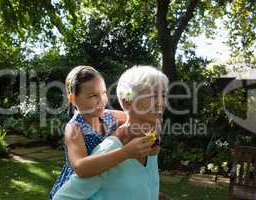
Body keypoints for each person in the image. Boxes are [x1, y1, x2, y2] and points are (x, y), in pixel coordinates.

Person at [53, 65, 169, 200]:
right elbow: (80, 168)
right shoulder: (74, 128)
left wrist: (155, 138)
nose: (102, 100)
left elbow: (134, 119)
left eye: (103, 93)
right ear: (73, 99)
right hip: (82, 178)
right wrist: (125, 152)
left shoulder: (108, 115)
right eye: (93, 96)